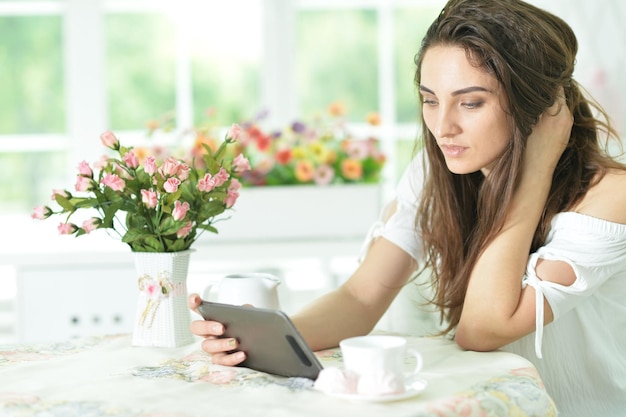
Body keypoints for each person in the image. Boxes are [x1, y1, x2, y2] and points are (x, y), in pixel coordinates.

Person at [188, 0, 626, 415]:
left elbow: (483, 328)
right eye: (430, 99)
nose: (442, 126)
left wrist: (535, 174)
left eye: (471, 102)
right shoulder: (438, 173)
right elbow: (361, 297)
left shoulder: (610, 196)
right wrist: (271, 337)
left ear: (541, 107)